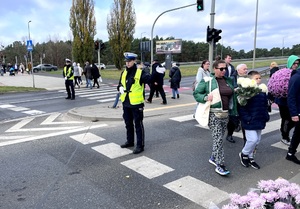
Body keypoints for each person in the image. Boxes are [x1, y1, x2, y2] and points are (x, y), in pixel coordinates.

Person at [193, 60, 237, 176]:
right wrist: (205, 97)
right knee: (218, 139)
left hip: (225, 114)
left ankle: (213, 157)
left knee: (220, 137)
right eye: (221, 69)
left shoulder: (228, 81)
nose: (224, 71)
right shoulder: (208, 81)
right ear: (215, 69)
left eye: (225, 69)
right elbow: (196, 93)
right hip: (213, 114)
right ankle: (220, 164)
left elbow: (231, 95)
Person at [118, 52, 151, 154]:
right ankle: (130, 141)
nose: (127, 63)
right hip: (126, 102)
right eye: (126, 61)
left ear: (134, 61)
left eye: (129, 61)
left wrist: (148, 70)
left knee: (138, 124)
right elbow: (120, 84)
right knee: (128, 123)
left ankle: (140, 145)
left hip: (136, 104)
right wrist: (120, 88)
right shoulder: (123, 73)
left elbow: (150, 79)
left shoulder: (140, 73)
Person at [238, 71, 269, 169]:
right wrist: (247, 118)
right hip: (250, 120)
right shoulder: (246, 91)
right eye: (256, 78)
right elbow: (241, 107)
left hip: (260, 119)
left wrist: (266, 115)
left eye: (260, 78)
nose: (259, 80)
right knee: (252, 139)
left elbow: (265, 105)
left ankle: (251, 157)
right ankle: (244, 154)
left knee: (258, 140)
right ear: (250, 80)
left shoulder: (262, 91)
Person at [274, 55, 299, 146]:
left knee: (293, 120)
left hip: (293, 100)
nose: (296, 65)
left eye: (297, 63)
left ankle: (285, 131)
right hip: (283, 101)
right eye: (294, 63)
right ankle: (284, 136)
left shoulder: (296, 73)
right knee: (286, 119)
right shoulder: (284, 73)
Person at [226, 63, 248, 143]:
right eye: (244, 69)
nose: (246, 70)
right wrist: (234, 90)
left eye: (246, 69)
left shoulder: (247, 79)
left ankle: (246, 139)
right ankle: (229, 134)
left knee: (244, 121)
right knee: (232, 121)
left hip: (244, 104)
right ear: (238, 70)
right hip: (234, 103)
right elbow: (228, 90)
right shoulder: (232, 78)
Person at [286, 58, 300, 164]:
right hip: (298, 111)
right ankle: (291, 153)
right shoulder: (296, 77)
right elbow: (291, 96)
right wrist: (294, 113)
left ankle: (291, 153)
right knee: (298, 133)